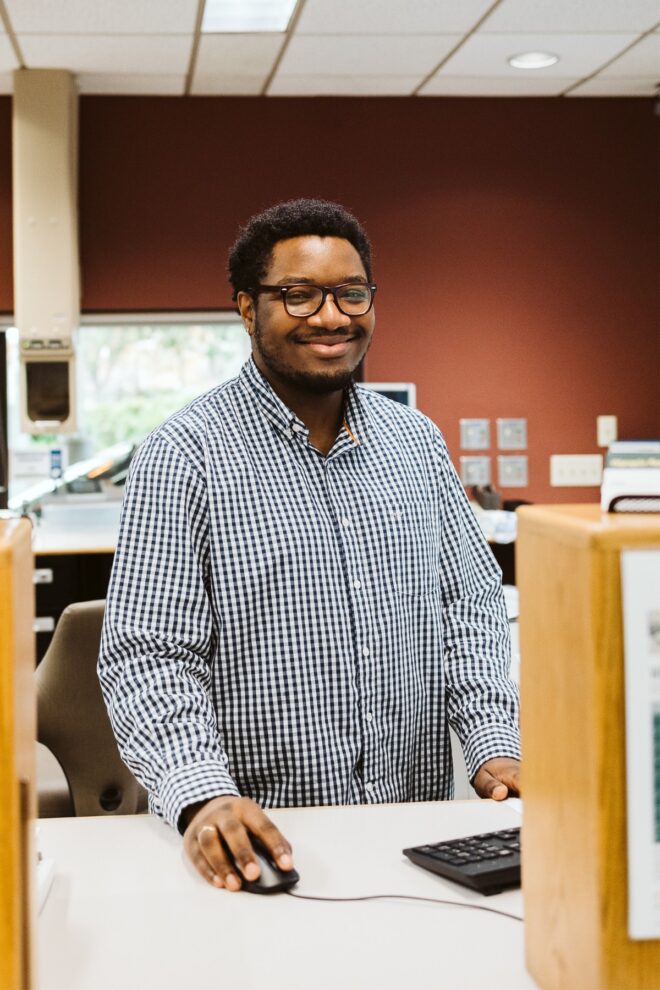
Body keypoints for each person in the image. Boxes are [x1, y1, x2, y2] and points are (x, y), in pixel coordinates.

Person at [99, 198, 521, 893]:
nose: (331, 317)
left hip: (412, 835)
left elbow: (468, 608)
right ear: (246, 309)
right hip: (260, 840)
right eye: (298, 295)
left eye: (351, 293)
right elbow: (149, 657)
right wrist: (203, 793)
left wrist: (491, 745)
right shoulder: (185, 456)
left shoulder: (416, 444)